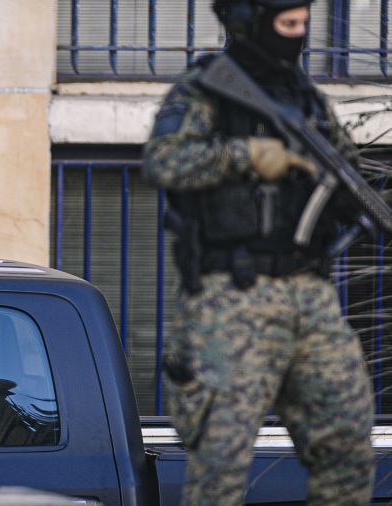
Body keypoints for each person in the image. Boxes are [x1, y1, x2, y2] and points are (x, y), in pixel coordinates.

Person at [142, 1, 376, 504]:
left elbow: (352, 176)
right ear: (248, 25)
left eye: (304, 25)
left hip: (311, 295)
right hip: (233, 299)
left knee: (349, 445)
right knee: (220, 462)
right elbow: (165, 161)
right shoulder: (207, 88)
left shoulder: (307, 100)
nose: (299, 36)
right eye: (287, 25)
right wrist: (246, 155)